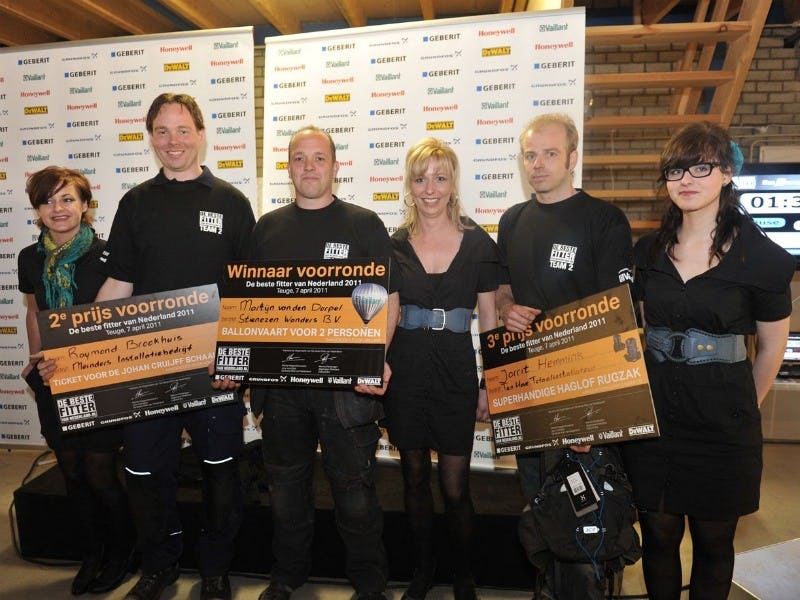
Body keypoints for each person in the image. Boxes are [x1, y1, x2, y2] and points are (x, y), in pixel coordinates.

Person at [621, 123, 794, 600]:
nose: (687, 180)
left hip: (723, 425)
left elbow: (772, 346)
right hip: (655, 419)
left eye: (701, 168)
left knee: (714, 543)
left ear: (727, 173)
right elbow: (633, 328)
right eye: (676, 170)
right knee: (658, 536)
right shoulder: (646, 253)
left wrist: (744, 409)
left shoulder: (762, 259)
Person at [94, 93, 256, 600]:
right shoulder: (135, 203)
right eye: (162, 131)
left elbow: (247, 294)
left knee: (221, 473)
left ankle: (215, 571)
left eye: (183, 130)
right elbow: (118, 284)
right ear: (151, 138)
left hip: (213, 369)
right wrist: (80, 348)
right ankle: (159, 566)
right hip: (148, 367)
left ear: (201, 134)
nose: (173, 141)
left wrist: (236, 360)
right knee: (144, 472)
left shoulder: (231, 202)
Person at [248, 125, 399, 600]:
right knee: (286, 490)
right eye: (299, 158)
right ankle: (286, 575)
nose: (309, 167)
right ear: (288, 167)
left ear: (336, 166)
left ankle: (370, 585)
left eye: (318, 158)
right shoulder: (266, 227)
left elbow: (389, 300)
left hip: (346, 390)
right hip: (282, 389)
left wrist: (378, 357)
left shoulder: (364, 224)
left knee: (355, 493)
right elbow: (248, 306)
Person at [495, 113, 633, 598]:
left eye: (550, 153)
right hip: (528, 390)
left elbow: (618, 315)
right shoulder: (512, 220)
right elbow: (503, 289)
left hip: (584, 394)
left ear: (573, 158)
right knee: (540, 509)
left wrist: (592, 418)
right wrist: (507, 309)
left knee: (587, 516)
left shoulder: (604, 220)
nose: (538, 164)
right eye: (530, 155)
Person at [382, 138, 499, 600]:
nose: (429, 188)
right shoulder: (393, 245)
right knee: (413, 478)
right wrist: (374, 365)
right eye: (420, 178)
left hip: (455, 375)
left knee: (455, 487)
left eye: (440, 177)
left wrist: (490, 383)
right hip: (406, 373)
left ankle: (463, 574)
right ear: (409, 186)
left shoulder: (479, 243)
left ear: (453, 184)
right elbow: (386, 314)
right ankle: (423, 570)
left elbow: (489, 319)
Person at [19, 166, 134, 595]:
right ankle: (92, 552)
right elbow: (35, 312)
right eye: (47, 201)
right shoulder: (29, 258)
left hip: (101, 377)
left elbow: (121, 319)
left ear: (85, 204)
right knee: (71, 471)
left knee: (99, 471)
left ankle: (122, 553)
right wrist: (35, 359)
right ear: (37, 210)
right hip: (53, 377)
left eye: (67, 199)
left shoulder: (108, 255)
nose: (58, 208)